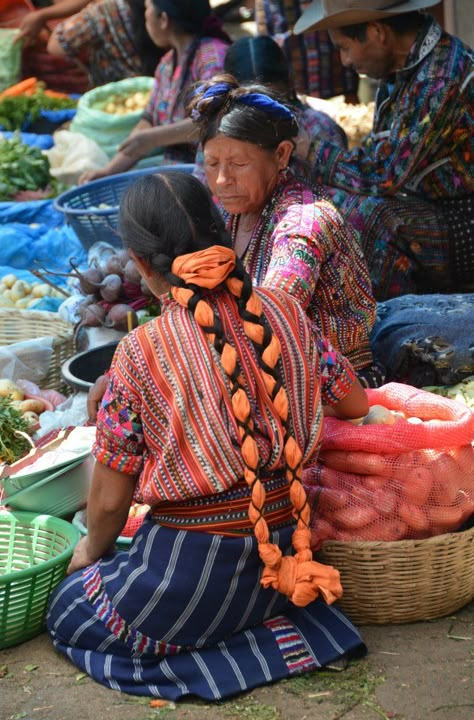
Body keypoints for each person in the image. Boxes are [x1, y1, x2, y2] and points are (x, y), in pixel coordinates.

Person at [47, 170, 368, 699]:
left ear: (143, 264)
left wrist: (86, 558)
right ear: (222, 235)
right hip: (289, 559)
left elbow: (107, 509)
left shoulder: (140, 351)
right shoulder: (286, 312)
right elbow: (353, 401)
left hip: (193, 575)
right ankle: (289, 637)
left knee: (71, 610)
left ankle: (229, 654)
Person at [188, 75, 379, 383]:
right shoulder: (232, 211)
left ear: (282, 154)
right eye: (212, 164)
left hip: (337, 387)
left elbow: (267, 319)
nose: (222, 179)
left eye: (237, 164)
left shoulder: (304, 225)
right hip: (267, 371)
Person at [293, 0, 474, 299]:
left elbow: (385, 174)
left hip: (463, 216)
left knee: (372, 215)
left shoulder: (439, 79)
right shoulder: (405, 68)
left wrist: (311, 150)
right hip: (435, 207)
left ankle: (392, 323)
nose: (345, 61)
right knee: (326, 200)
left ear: (378, 32)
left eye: (345, 47)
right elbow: (379, 156)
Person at [79, 0, 230, 183]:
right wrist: (107, 173)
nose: (145, 19)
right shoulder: (167, 64)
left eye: (147, 10)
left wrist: (153, 138)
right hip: (179, 177)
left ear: (164, 19)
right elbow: (148, 120)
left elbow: (216, 120)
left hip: (214, 179)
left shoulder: (212, 58)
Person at [32, 0, 165, 86]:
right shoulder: (165, 9)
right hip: (157, 92)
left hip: (118, 98)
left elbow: (57, 44)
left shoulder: (103, 12)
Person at [255, 0, 359, 100]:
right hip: (296, 101)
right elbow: (265, 51)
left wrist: (350, 93)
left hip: (341, 97)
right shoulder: (268, 5)